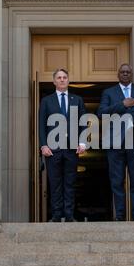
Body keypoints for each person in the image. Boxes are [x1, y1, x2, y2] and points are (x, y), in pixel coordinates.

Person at [97, 64, 134, 221]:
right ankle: (120, 215)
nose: (126, 74)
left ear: (132, 74)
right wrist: (123, 104)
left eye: (128, 72)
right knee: (117, 181)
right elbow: (101, 113)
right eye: (123, 72)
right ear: (118, 75)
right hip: (115, 144)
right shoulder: (108, 93)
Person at [39, 69, 86, 222]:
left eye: (65, 77)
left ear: (68, 80)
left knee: (70, 183)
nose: (62, 80)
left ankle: (69, 215)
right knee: (55, 183)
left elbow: (83, 122)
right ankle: (57, 214)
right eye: (59, 78)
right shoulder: (47, 100)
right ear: (54, 81)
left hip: (71, 149)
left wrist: (82, 142)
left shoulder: (77, 99)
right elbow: (41, 125)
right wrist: (43, 145)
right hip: (52, 150)